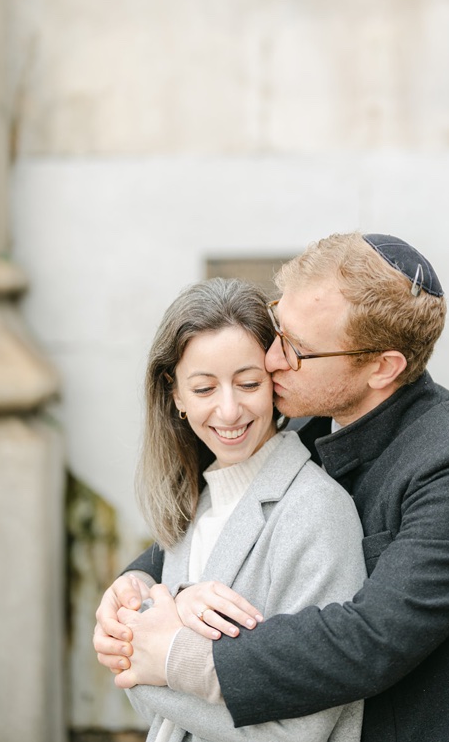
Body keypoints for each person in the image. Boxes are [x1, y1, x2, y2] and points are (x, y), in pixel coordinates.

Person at [95, 232, 449, 742]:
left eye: (299, 350)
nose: (274, 358)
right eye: (280, 325)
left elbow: (366, 642)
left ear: (381, 368)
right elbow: (225, 518)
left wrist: (176, 654)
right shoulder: (311, 421)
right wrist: (140, 587)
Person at [124, 277, 365, 742]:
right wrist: (156, 618)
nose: (229, 411)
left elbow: (301, 730)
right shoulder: (194, 503)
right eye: (204, 389)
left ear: (276, 379)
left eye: (248, 382)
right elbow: (141, 680)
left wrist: (147, 658)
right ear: (174, 395)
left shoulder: (317, 512)